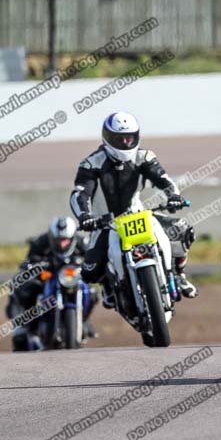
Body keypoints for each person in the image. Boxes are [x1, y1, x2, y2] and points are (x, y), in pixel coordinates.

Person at [69, 111, 197, 308]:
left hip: (138, 214)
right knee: (89, 271)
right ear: (107, 137)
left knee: (184, 230)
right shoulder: (91, 163)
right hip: (106, 223)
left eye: (129, 138)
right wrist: (85, 216)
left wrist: (173, 196)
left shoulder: (144, 157)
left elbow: (163, 179)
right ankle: (108, 286)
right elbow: (80, 194)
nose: (125, 143)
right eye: (119, 139)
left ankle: (179, 274)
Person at [5, 216, 98, 351]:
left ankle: (84, 320)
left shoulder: (81, 242)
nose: (62, 244)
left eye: (65, 240)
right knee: (25, 288)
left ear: (72, 237)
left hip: (70, 277)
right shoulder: (41, 242)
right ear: (52, 237)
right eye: (59, 240)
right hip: (48, 276)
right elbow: (29, 261)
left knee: (92, 292)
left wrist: (87, 264)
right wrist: (35, 264)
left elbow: (92, 258)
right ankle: (25, 326)